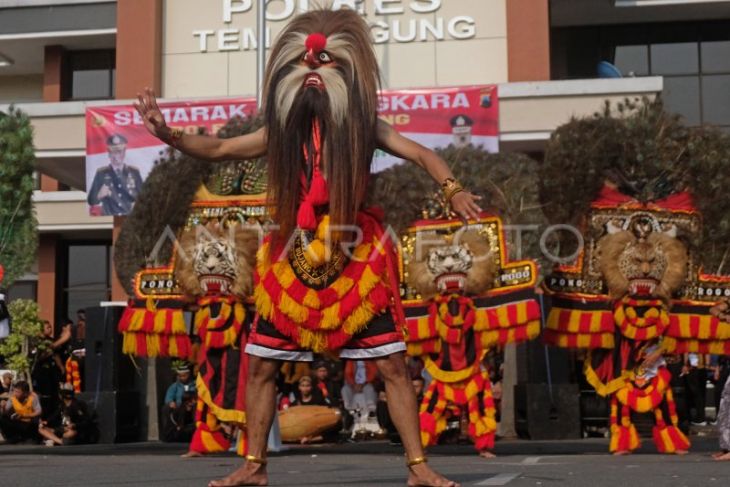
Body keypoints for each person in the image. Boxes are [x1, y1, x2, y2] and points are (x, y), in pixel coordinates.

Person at [135, 8, 480, 486]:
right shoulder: (277, 133)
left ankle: (419, 468)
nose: (314, 76)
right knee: (260, 366)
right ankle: (254, 467)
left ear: (344, 75)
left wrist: (453, 188)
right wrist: (165, 132)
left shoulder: (366, 128)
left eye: (326, 66)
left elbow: (422, 152)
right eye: (307, 68)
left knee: (394, 366)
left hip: (353, 255)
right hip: (292, 259)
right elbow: (216, 150)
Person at [87, 133, 144, 216]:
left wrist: (137, 204)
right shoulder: (101, 173)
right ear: (109, 154)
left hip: (130, 218)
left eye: (119, 152)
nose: (116, 156)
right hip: (108, 219)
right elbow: (91, 201)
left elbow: (144, 197)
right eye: (113, 152)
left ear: (124, 153)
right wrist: (99, 195)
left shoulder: (134, 172)